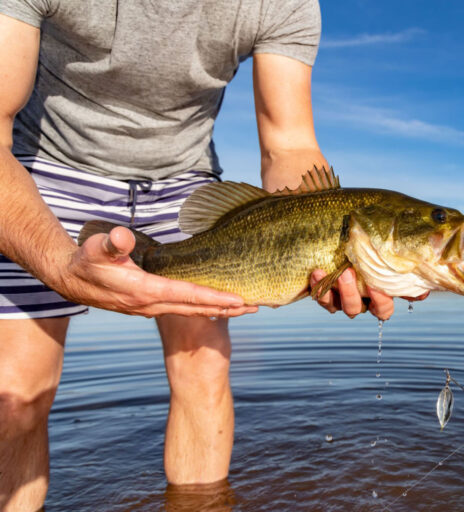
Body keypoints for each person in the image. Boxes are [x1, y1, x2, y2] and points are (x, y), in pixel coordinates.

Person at [0, 1, 401, 510]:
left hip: (185, 185)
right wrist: (57, 263)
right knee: (15, 394)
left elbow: (289, 145)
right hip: (45, 167)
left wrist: (328, 247)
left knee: (204, 369)